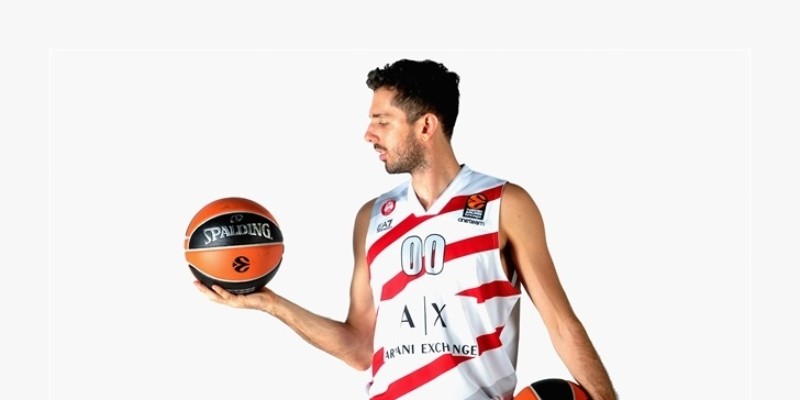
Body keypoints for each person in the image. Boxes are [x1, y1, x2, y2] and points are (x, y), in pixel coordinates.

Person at [194, 58, 617, 400]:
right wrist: (272, 304)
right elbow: (360, 348)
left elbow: (562, 324)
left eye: (383, 121)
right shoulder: (372, 218)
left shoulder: (504, 204)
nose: (368, 134)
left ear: (426, 126)